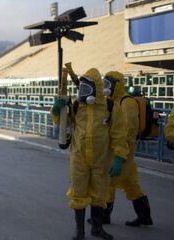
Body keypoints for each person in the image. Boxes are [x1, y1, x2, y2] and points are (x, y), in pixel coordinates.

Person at [52, 68, 128, 240]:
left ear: (97, 89)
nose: (83, 94)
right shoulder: (78, 106)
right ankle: (80, 231)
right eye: (81, 90)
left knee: (99, 194)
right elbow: (63, 123)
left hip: (101, 160)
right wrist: (57, 111)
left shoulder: (110, 108)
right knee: (78, 193)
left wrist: (118, 157)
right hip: (79, 158)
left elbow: (119, 134)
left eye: (87, 90)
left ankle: (97, 228)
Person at [100, 71, 153, 227]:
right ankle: (145, 216)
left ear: (117, 85)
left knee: (109, 181)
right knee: (130, 183)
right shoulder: (112, 101)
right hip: (121, 149)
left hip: (123, 150)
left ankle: (104, 216)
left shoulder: (126, 103)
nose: (106, 88)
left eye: (108, 85)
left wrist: (119, 153)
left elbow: (129, 130)